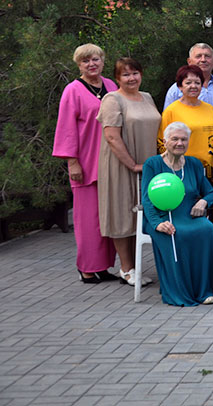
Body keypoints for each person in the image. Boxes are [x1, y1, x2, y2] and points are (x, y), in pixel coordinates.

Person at [52, 44, 118, 284]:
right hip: (86, 164)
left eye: (96, 59)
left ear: (103, 61)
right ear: (79, 64)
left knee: (108, 218)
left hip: (111, 163)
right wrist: (73, 162)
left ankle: (103, 266)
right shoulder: (73, 90)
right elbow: (67, 129)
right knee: (88, 220)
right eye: (86, 61)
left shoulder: (111, 86)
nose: (92, 64)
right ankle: (88, 267)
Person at [141, 122, 213, 306]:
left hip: (190, 215)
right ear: (165, 141)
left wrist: (204, 201)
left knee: (209, 230)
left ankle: (205, 289)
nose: (180, 143)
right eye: (175, 139)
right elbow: (147, 198)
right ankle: (182, 291)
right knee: (177, 234)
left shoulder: (194, 164)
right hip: (161, 216)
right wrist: (156, 223)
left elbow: (211, 192)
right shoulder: (153, 164)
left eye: (183, 139)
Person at [97, 57, 161, 286]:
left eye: (135, 73)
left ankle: (136, 266)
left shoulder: (147, 97)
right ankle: (126, 268)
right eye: (125, 74)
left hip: (147, 164)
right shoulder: (112, 99)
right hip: (122, 164)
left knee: (140, 215)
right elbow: (111, 137)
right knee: (123, 214)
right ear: (117, 78)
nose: (131, 78)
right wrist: (132, 164)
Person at [158, 65, 213, 193]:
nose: (193, 86)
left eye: (197, 82)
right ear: (180, 87)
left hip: (211, 170)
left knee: (210, 205)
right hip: (183, 170)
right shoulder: (171, 111)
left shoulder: (210, 109)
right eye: (188, 83)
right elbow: (162, 142)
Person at [163, 43, 213, 120]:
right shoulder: (176, 89)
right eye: (198, 56)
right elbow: (168, 120)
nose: (203, 60)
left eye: (207, 56)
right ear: (189, 61)